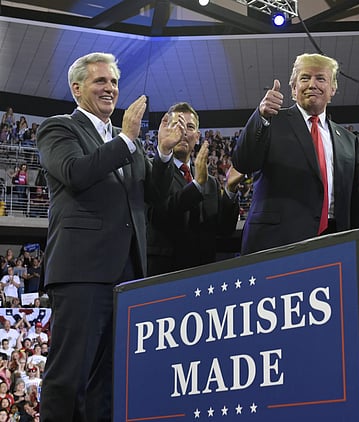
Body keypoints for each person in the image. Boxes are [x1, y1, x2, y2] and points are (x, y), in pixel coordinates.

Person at [35, 52, 180, 422]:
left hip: (128, 274)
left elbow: (154, 195)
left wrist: (163, 154)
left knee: (109, 381)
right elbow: (76, 172)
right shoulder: (58, 128)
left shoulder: (125, 141)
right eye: (100, 81)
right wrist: (128, 139)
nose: (110, 88)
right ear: (77, 88)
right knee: (70, 377)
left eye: (114, 82)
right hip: (82, 271)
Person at [232, 53, 359, 254]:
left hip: (335, 244)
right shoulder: (271, 121)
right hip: (277, 243)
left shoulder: (349, 140)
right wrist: (261, 116)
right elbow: (243, 162)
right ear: (293, 88)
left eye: (320, 78)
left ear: (332, 89)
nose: (312, 84)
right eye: (305, 78)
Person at [146, 102, 240, 276]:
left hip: (203, 275)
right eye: (177, 124)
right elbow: (160, 215)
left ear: (197, 137)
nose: (183, 131)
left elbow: (225, 230)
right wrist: (196, 185)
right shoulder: (151, 169)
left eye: (189, 127)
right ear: (165, 131)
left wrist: (230, 190)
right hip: (165, 274)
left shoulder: (210, 182)